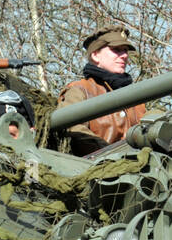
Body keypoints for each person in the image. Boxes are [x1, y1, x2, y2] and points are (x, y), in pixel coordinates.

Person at [56, 24, 146, 155]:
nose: (124, 55)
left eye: (125, 50)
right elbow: (73, 130)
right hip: (98, 168)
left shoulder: (137, 96)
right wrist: (113, 154)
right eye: (116, 50)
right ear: (95, 55)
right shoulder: (79, 90)